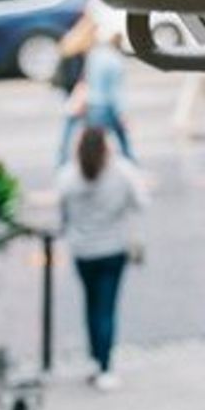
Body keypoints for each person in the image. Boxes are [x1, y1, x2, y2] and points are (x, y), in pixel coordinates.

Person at [57, 124, 147, 391]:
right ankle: (105, 366)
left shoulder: (69, 176)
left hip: (82, 250)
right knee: (106, 307)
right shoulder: (121, 172)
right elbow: (142, 203)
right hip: (113, 249)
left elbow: (63, 213)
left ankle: (95, 358)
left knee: (90, 304)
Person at [61, 32, 134, 165]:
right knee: (122, 141)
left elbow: (87, 79)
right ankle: (132, 168)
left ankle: (81, 168)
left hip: (93, 105)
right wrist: (122, 113)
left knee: (92, 144)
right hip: (107, 107)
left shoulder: (95, 54)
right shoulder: (115, 60)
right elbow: (115, 91)